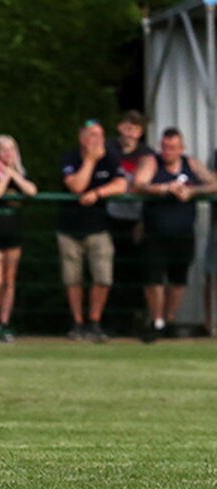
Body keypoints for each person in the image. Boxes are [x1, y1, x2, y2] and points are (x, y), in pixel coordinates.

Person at [133, 127, 217, 340]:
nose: (167, 152)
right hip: (155, 232)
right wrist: (164, 189)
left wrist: (192, 191)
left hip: (183, 232)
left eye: (172, 148)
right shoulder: (151, 162)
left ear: (181, 148)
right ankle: (157, 321)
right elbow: (138, 184)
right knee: (154, 278)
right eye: (164, 147)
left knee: (178, 279)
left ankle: (169, 320)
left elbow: (214, 184)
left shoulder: (192, 164)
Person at [58, 120, 127, 342]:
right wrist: (90, 161)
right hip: (70, 229)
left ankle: (95, 322)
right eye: (93, 135)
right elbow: (77, 186)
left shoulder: (110, 158)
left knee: (103, 277)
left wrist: (97, 194)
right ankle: (77, 323)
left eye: (100, 135)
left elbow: (122, 184)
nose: (98, 140)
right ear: (82, 138)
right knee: (73, 279)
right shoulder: (71, 158)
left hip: (99, 228)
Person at [0, 134, 37, 342]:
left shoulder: (20, 173)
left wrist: (13, 173)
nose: (7, 153)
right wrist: (5, 176)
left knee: (9, 281)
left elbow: (31, 191)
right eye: (3, 149)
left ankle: (4, 322)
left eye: (11, 149)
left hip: (14, 232)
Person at [105, 110, 154, 329]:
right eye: (127, 127)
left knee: (137, 270)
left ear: (140, 132)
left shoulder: (147, 154)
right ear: (119, 127)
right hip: (112, 217)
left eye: (135, 129)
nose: (130, 133)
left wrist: (143, 221)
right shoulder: (107, 150)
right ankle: (114, 320)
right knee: (113, 270)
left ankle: (137, 319)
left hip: (137, 219)